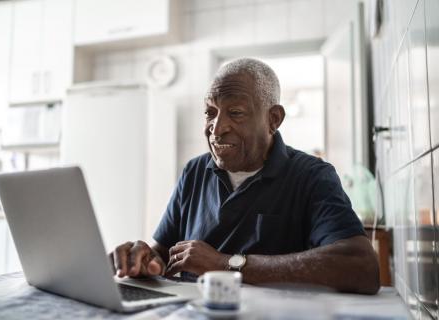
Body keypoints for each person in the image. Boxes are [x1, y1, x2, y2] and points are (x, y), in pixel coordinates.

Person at [109, 58, 380, 294]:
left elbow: (361, 266)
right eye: (210, 113)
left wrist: (227, 264)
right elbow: (163, 253)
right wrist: (144, 261)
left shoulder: (312, 176)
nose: (216, 128)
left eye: (235, 113)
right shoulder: (194, 171)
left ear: (273, 119)